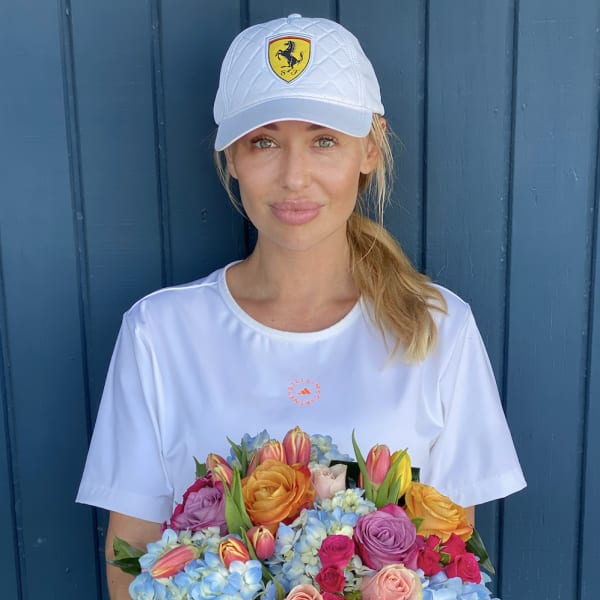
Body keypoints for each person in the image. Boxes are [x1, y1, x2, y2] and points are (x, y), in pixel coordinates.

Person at [76, 14, 526, 598]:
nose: (294, 177)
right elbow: (130, 560)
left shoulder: (437, 327)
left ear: (370, 148)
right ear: (231, 157)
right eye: (264, 142)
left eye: (324, 141)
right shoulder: (159, 333)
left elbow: (448, 558)